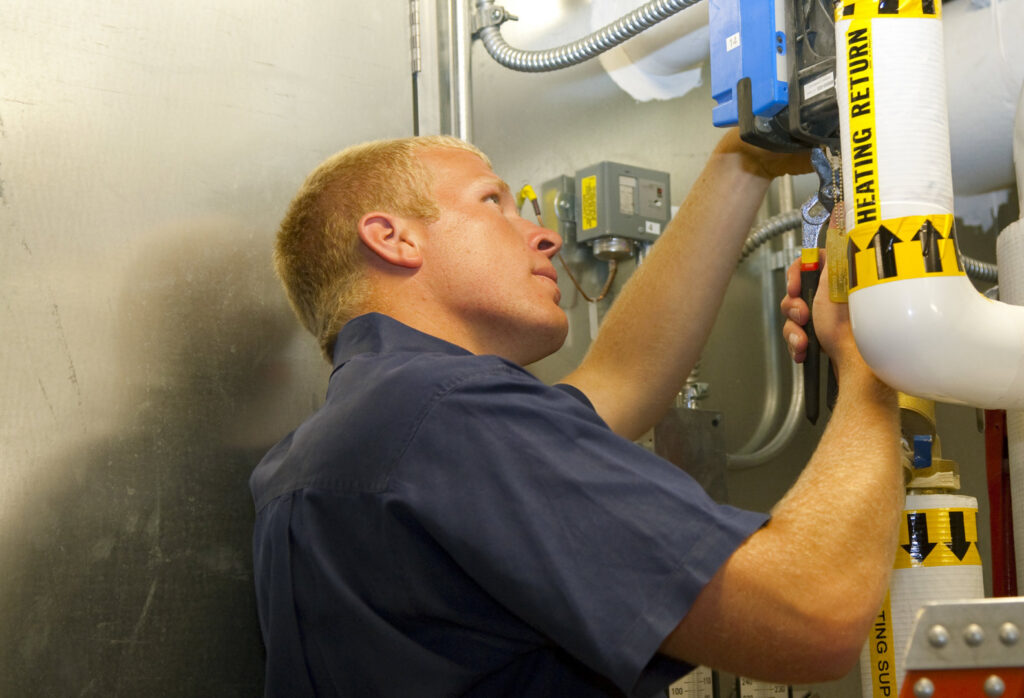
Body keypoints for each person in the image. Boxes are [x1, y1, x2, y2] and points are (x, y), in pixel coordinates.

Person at [249, 129, 902, 697]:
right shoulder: (450, 416)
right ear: (393, 239)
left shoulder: (341, 442)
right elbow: (813, 616)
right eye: (493, 202)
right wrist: (875, 355)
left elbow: (626, 377)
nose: (547, 236)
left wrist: (742, 160)